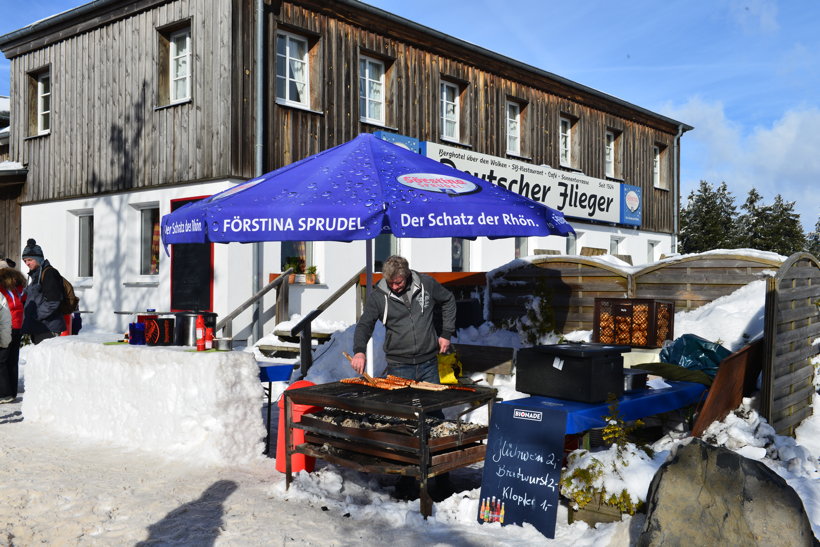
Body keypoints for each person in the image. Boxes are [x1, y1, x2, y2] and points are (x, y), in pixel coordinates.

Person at [351, 255, 456, 383]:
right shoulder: (378, 297)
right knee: (402, 403)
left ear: (407, 276)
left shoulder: (427, 284)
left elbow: (448, 300)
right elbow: (364, 325)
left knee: (432, 402)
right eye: (390, 283)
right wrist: (359, 351)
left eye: (398, 282)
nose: (394, 287)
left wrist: (446, 333)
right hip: (399, 366)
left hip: (429, 363)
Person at [21, 239, 66, 344]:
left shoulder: (49, 273)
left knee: (49, 359)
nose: (27, 263)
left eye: (29, 260)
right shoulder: (36, 275)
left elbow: (53, 302)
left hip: (48, 328)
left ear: (38, 258)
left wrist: (35, 315)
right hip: (40, 328)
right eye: (25, 260)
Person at [0, 261, 26, 403]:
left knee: (1, 360)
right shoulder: (17, 285)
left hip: (6, 325)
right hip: (17, 325)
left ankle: (4, 394)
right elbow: (23, 300)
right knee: (12, 360)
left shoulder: (1, 285)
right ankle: (12, 392)